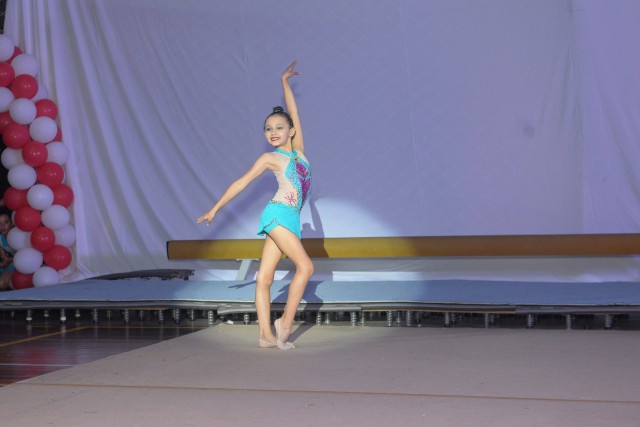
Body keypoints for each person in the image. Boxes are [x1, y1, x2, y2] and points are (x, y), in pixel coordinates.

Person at [197, 61, 313, 350]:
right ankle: (284, 324)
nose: (273, 132)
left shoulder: (299, 152)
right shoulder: (270, 158)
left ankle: (264, 336)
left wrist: (284, 82)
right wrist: (215, 208)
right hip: (277, 215)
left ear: (291, 131)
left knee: (265, 277)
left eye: (279, 127)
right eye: (268, 129)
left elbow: (294, 111)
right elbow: (241, 182)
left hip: (290, 218)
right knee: (306, 267)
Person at [0, 211, 16, 290]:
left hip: (19, 263)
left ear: (12, 223)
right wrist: (3, 263)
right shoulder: (0, 239)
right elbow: (3, 259)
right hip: (10, 262)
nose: (2, 226)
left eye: (6, 222)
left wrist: (9, 260)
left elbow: (26, 256)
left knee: (2, 283)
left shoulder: (17, 235)